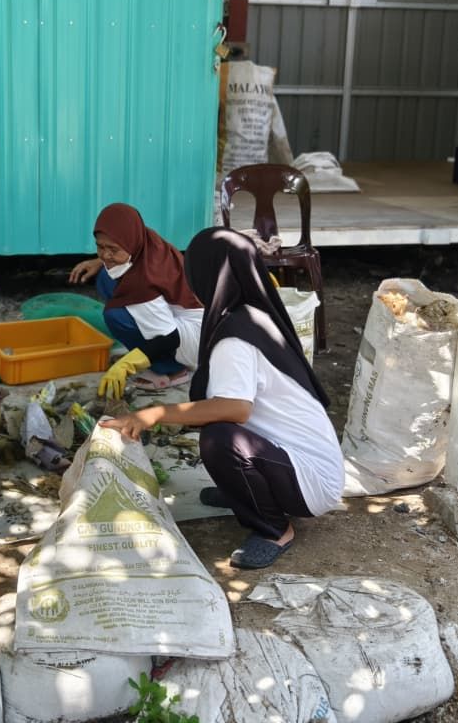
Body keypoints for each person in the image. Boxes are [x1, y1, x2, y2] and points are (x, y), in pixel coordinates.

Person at [102, 228, 343, 569]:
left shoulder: (236, 339)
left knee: (220, 437)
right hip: (298, 460)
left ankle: (275, 528)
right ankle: (245, 493)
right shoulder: (250, 314)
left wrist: (153, 413)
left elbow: (235, 408)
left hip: (311, 483)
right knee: (214, 423)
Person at [69, 203, 204, 398]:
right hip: (185, 311)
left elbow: (169, 338)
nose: (106, 255)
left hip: (194, 338)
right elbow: (116, 253)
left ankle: (171, 369)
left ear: (131, 242)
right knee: (106, 278)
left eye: (113, 250)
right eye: (100, 247)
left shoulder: (142, 282)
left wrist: (127, 364)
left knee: (115, 315)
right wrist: (99, 261)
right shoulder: (145, 239)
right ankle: (158, 354)